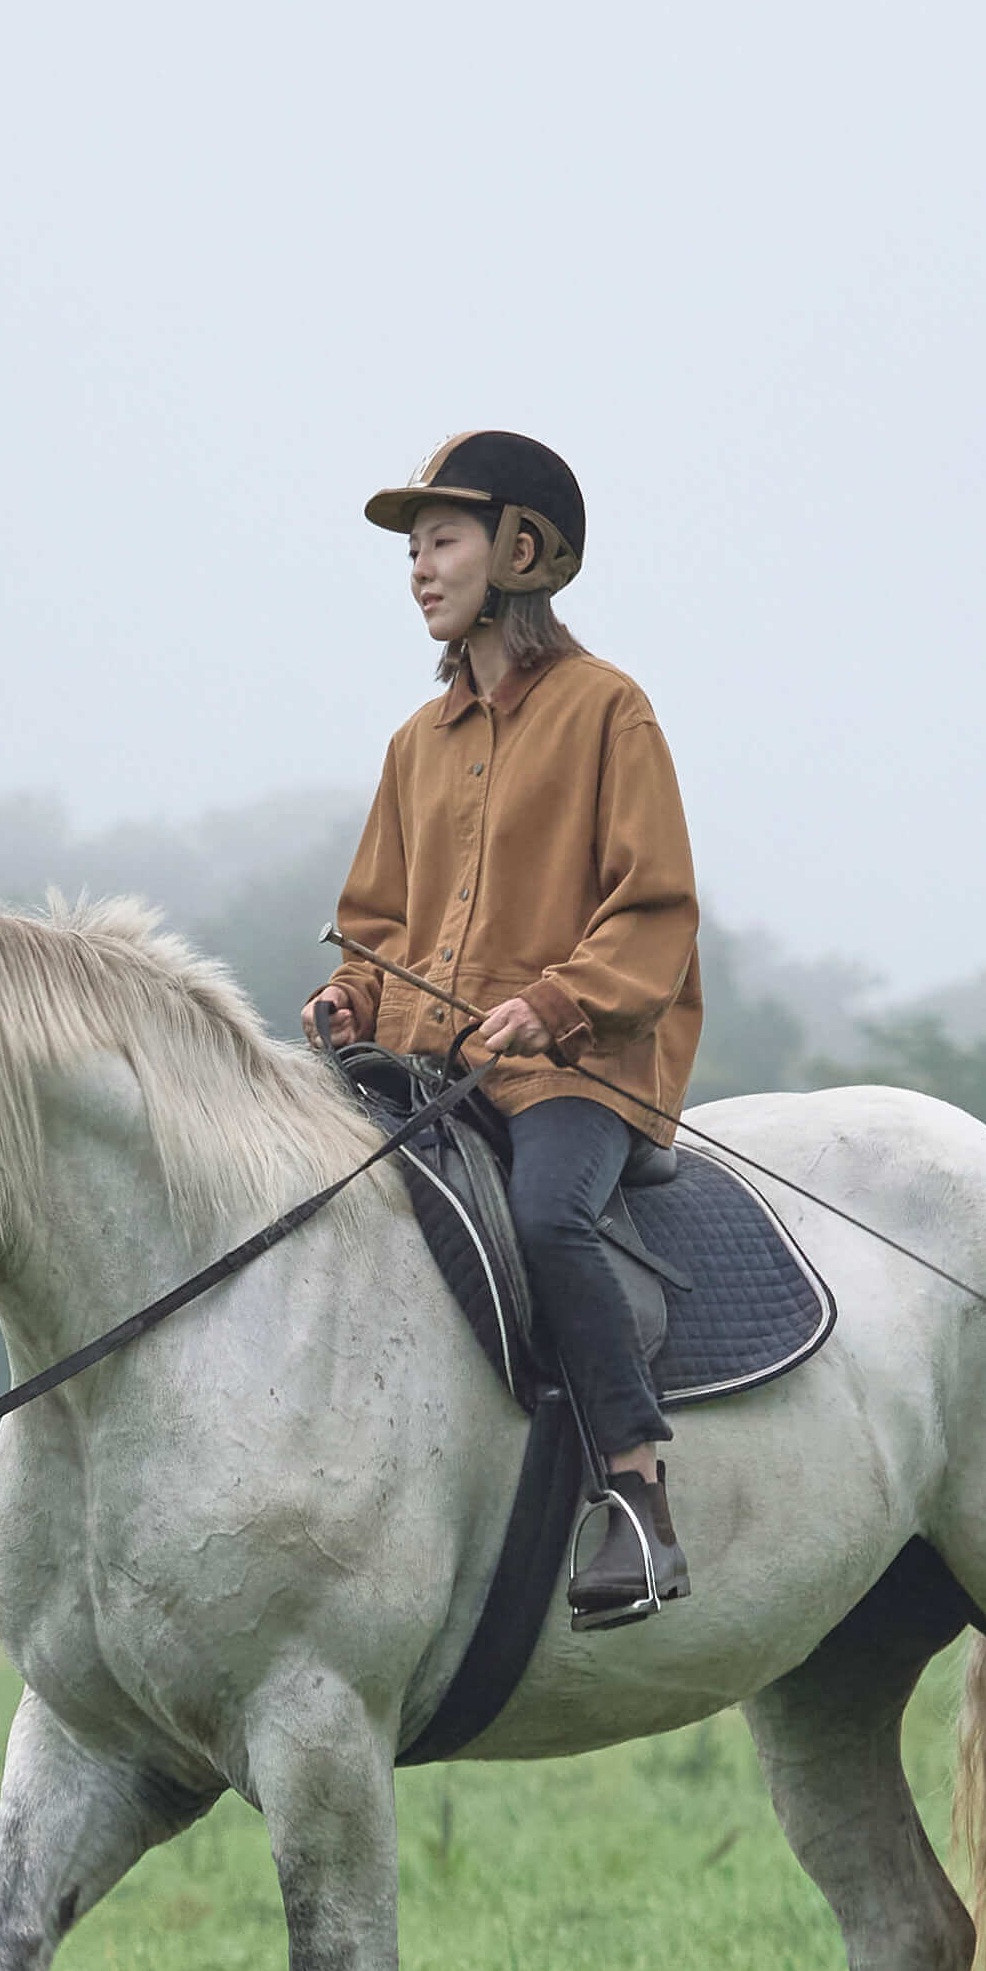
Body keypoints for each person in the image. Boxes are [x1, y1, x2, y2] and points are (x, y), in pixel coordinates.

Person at [298, 429, 705, 1626]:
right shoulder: (413, 745)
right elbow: (372, 916)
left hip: (583, 1073)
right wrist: (351, 1000)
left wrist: (560, 999)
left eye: (444, 541)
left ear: (520, 549)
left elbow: (659, 905)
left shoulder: (609, 711)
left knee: (545, 1216)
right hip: (428, 1069)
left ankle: (636, 1494)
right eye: (413, 549)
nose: (420, 568)